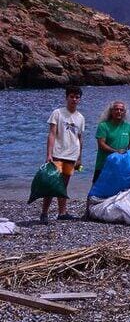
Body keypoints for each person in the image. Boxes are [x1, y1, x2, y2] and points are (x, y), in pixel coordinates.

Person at [41, 86, 85, 224]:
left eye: (77, 97)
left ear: (79, 99)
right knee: (51, 184)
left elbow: (79, 138)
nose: (74, 99)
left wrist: (79, 158)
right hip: (57, 154)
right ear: (66, 97)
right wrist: (49, 154)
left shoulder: (80, 118)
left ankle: (62, 212)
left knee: (63, 185)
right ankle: (44, 213)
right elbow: (52, 134)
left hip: (71, 156)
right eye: (72, 96)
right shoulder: (58, 113)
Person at [93, 100, 130, 183]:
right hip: (104, 164)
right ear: (111, 111)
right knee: (96, 189)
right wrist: (116, 152)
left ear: (124, 112)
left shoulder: (128, 126)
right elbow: (101, 144)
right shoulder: (103, 126)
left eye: (121, 110)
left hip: (121, 164)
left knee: (119, 188)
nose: (119, 112)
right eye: (116, 109)